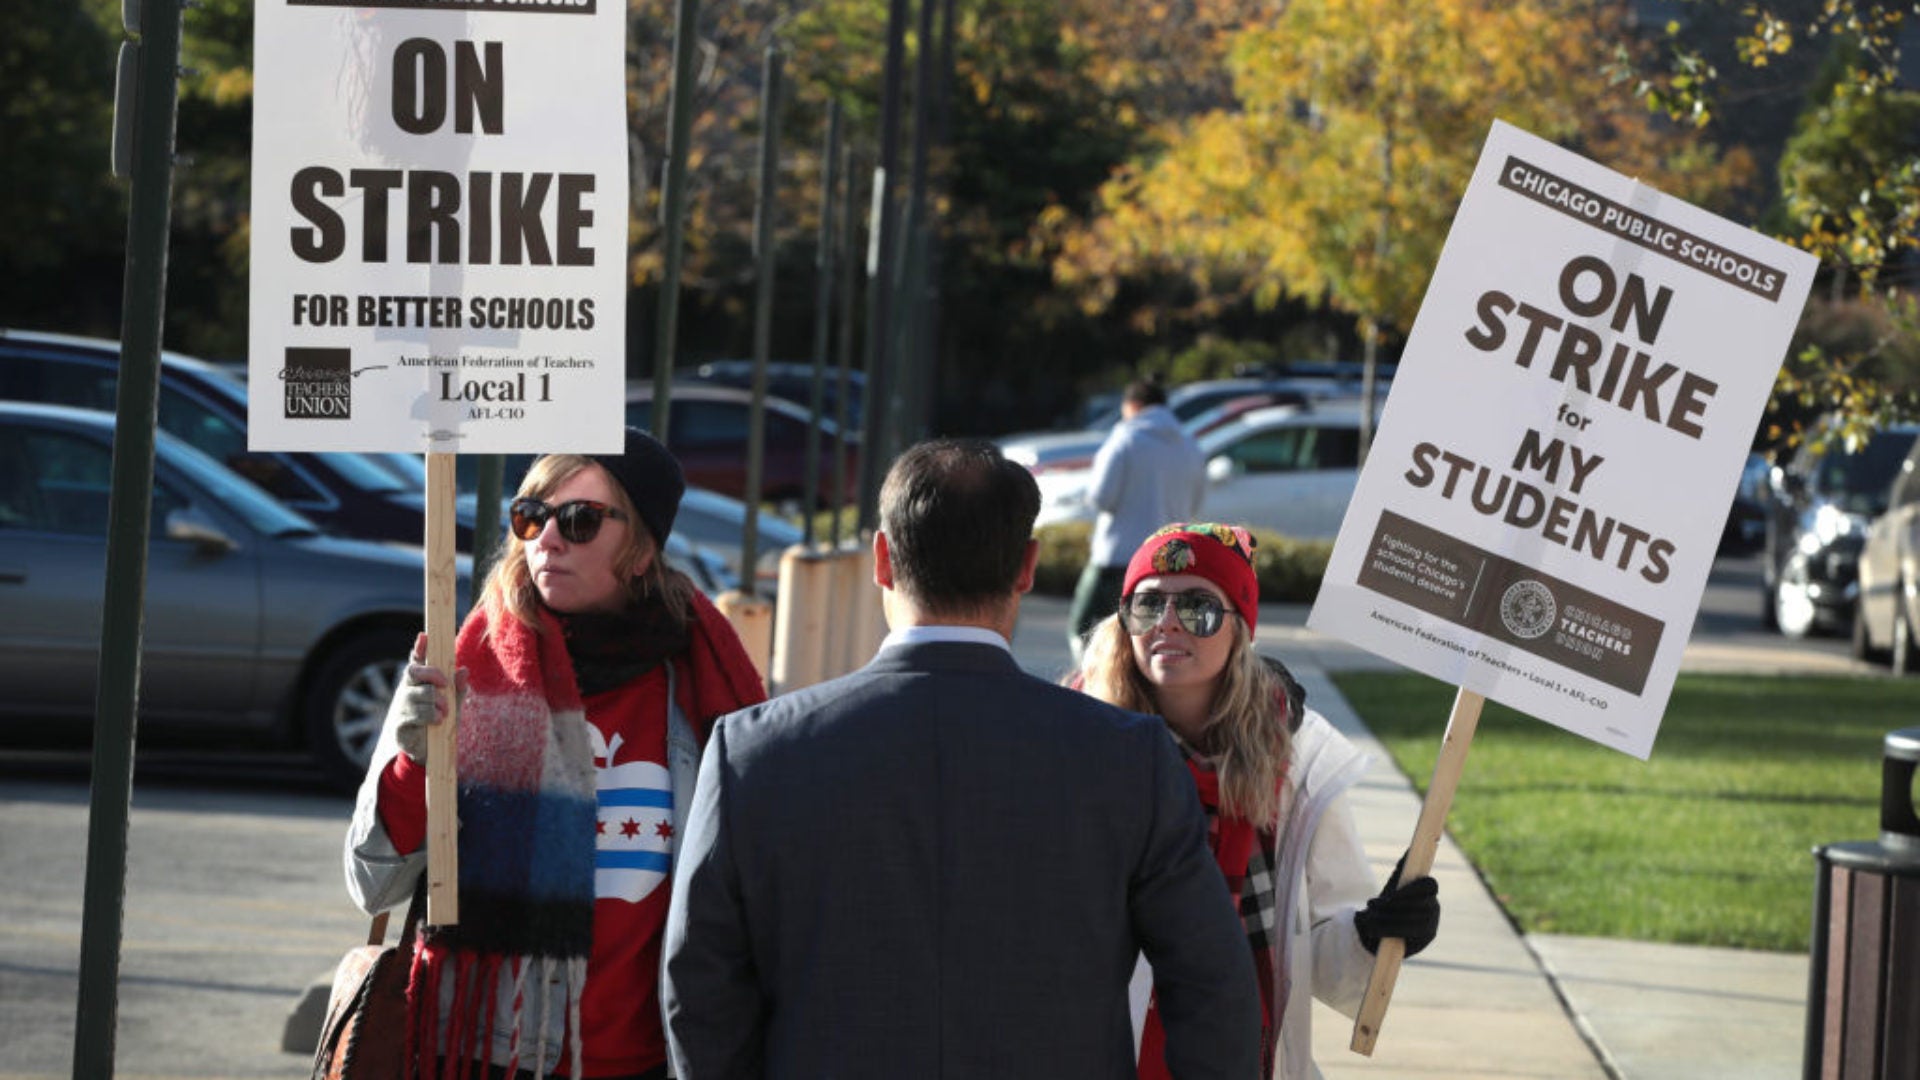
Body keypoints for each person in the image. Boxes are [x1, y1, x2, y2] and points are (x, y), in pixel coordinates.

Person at [662, 438, 1260, 1079]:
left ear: (883, 560)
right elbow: (1214, 989)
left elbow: (699, 989)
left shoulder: (755, 752)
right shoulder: (1128, 759)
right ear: (1027, 567)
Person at [343, 428, 767, 1080]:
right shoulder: (463, 669)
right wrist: (417, 760)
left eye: (580, 520)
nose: (547, 538)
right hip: (482, 1054)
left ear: (640, 551)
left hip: (649, 1058)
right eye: (531, 516)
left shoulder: (699, 685)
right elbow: (374, 882)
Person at [1073, 522, 1442, 1080]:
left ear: (1240, 629)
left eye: (1198, 608)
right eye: (1147, 606)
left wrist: (1376, 932)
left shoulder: (1296, 759)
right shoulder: (1074, 743)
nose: (1168, 623)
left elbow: (1314, 955)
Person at [1069, 378, 1206, 662]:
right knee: (1143, 641)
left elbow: (1101, 497)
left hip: (1116, 559)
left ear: (1132, 406)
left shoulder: (1124, 440)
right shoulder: (1190, 446)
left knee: (1083, 630)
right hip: (1168, 562)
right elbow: (1194, 503)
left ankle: (1088, 689)